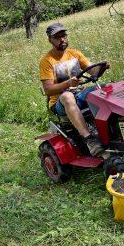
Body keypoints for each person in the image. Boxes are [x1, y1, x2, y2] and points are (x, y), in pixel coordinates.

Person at [39, 22, 106, 157]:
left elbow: (92, 71)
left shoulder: (75, 53)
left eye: (63, 35)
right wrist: (68, 84)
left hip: (80, 94)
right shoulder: (47, 61)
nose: (62, 39)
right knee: (67, 96)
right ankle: (90, 140)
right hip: (60, 102)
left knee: (106, 87)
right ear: (50, 40)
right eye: (57, 37)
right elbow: (48, 89)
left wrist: (102, 67)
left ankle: (110, 131)